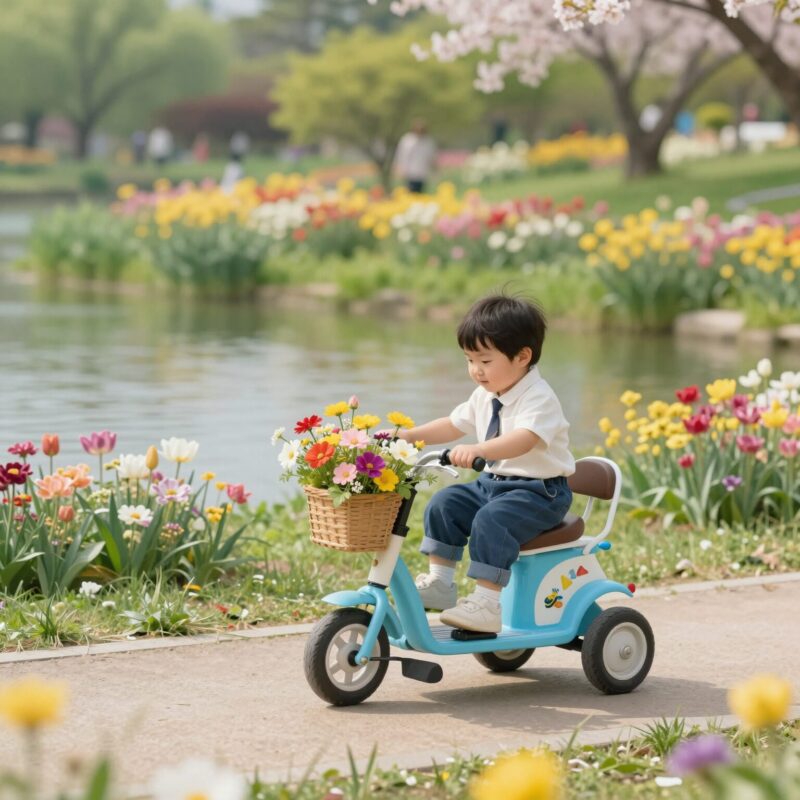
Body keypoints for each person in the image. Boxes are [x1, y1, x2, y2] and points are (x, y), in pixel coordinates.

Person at [397, 294, 575, 633]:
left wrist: (479, 448)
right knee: (445, 503)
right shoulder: (486, 394)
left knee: (492, 521)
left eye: (485, 360)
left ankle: (487, 603)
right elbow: (452, 424)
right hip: (493, 484)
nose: (476, 370)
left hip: (539, 492)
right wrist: (408, 436)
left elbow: (524, 438)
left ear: (522, 356)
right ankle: (441, 582)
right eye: (469, 359)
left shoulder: (539, 397)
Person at [394, 120, 437, 194]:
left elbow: (432, 157)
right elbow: (402, 155)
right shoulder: (407, 140)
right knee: (409, 193)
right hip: (409, 173)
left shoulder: (428, 141)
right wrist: (400, 168)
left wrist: (434, 169)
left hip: (422, 173)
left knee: (420, 194)